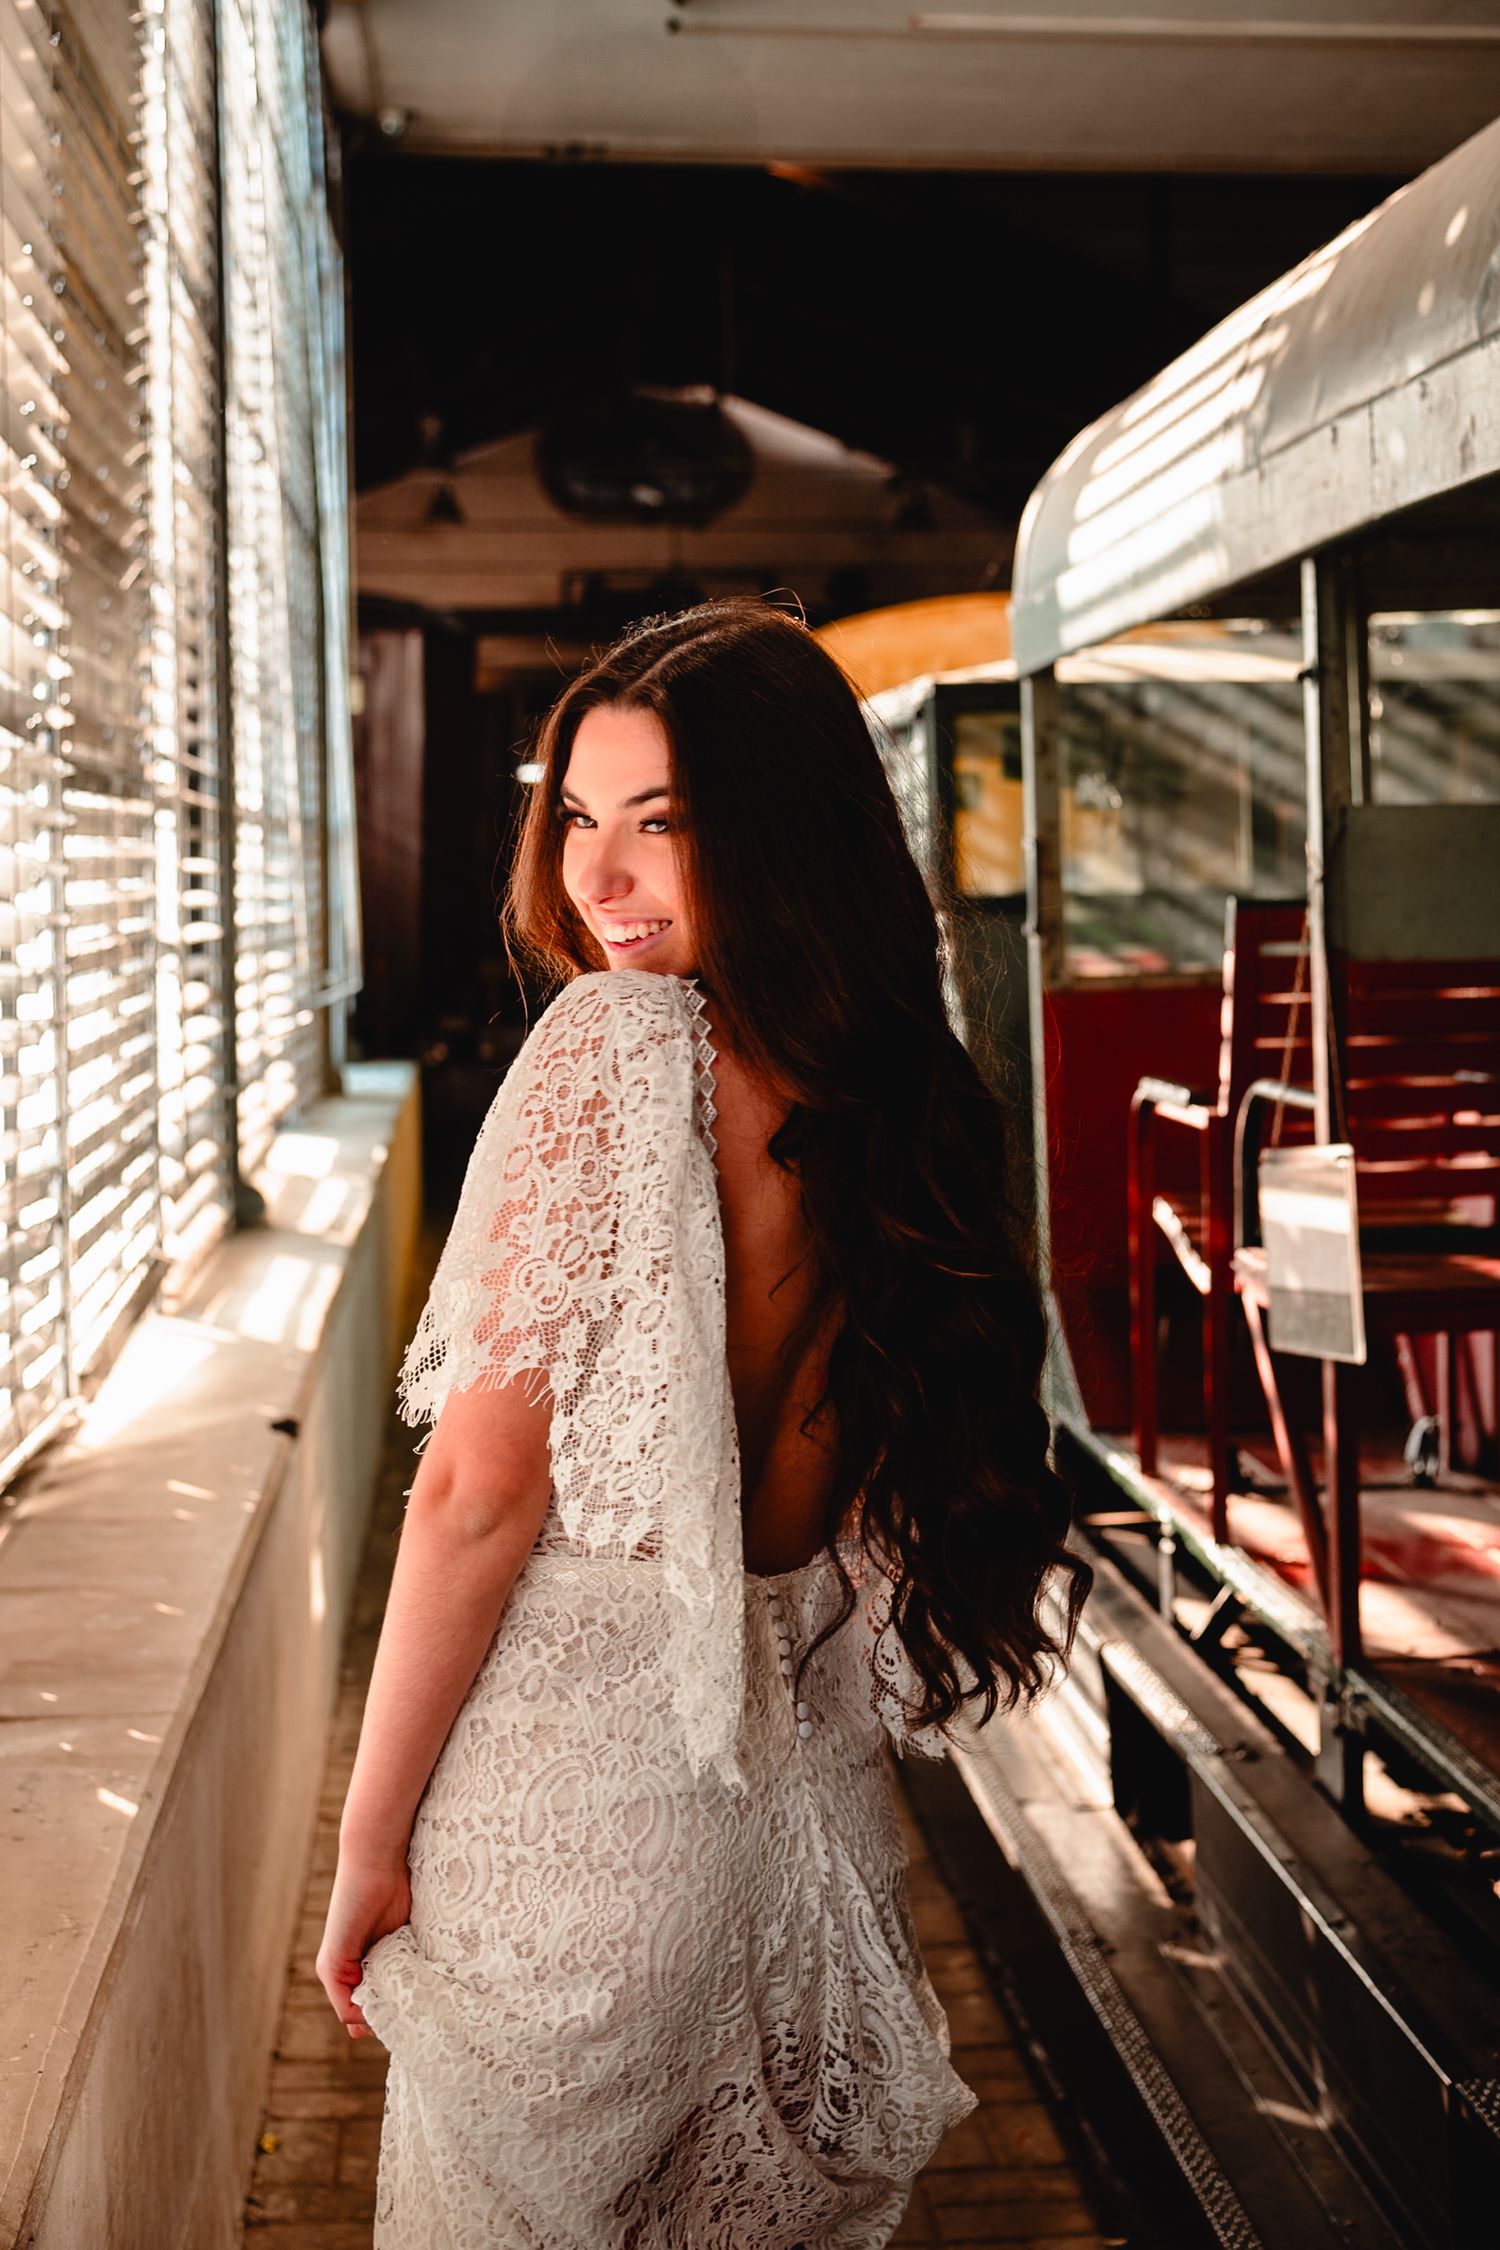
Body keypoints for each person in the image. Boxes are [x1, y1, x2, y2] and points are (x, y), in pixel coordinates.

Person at [316, 597, 1089, 2247]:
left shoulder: (612, 1052)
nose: (599, 878)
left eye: (660, 825)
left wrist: (366, 1844)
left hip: (571, 1826)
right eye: (577, 817)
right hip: (795, 1838)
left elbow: (471, 1489)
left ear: (780, 833)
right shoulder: (892, 1091)